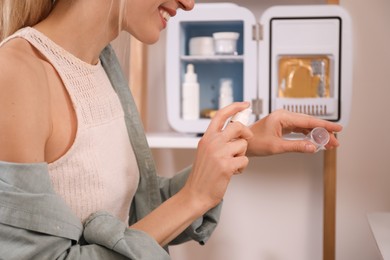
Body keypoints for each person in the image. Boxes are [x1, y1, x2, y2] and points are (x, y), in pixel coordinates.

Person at [0, 0, 342, 259]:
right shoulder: (16, 73)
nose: (189, 3)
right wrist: (196, 195)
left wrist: (240, 144)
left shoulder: (102, 64)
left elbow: (135, 218)